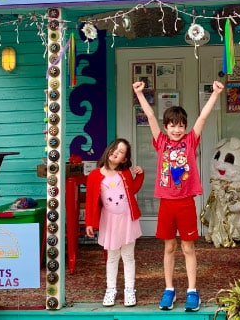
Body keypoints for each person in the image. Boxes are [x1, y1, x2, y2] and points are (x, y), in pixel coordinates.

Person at [132, 80, 224, 312]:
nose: (176, 129)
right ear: (165, 127)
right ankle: (169, 289)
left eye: (180, 125)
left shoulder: (190, 141)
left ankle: (192, 290)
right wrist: (140, 94)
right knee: (169, 248)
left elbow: (202, 118)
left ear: (185, 127)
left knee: (188, 248)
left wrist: (214, 94)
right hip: (166, 204)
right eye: (172, 125)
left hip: (185, 203)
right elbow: (151, 117)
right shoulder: (161, 142)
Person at [85, 138, 145, 307]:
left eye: (121, 152)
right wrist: (90, 222)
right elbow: (91, 200)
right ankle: (110, 289)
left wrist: (140, 175)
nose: (116, 152)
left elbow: (132, 190)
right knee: (112, 257)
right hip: (109, 221)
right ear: (109, 150)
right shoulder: (94, 175)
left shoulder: (124, 173)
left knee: (128, 256)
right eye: (115, 149)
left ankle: (129, 290)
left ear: (124, 160)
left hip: (127, 220)